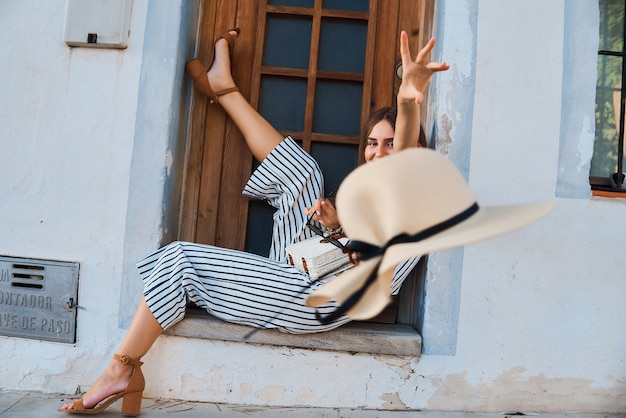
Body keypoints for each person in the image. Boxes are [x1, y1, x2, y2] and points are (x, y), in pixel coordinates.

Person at [59, 29, 449, 415]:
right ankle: (224, 89)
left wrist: (407, 96)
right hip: (309, 274)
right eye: (372, 143)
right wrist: (334, 226)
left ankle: (120, 370)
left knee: (181, 260)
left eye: (392, 142)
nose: (377, 153)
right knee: (303, 174)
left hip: (315, 299)